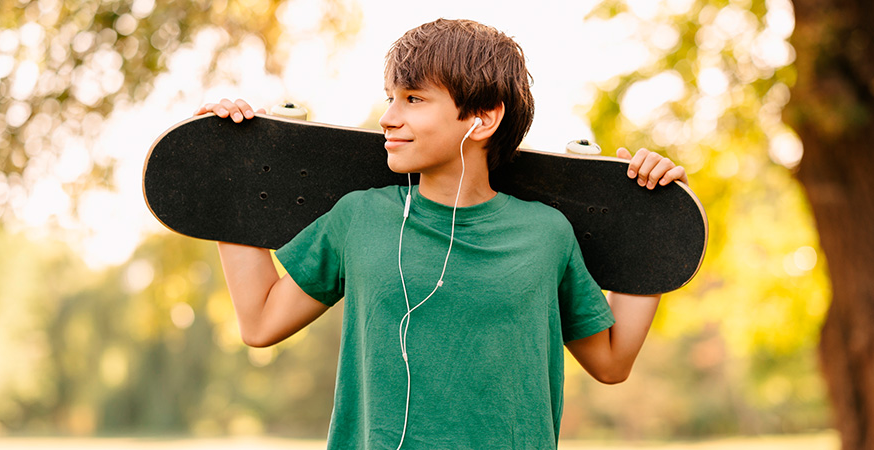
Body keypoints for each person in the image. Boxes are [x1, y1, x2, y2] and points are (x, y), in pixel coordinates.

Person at [195, 18, 688, 450]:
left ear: (484, 117)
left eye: (414, 99)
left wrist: (650, 222)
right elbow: (259, 323)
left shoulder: (546, 234)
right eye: (391, 98)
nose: (389, 117)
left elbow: (612, 361)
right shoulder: (359, 218)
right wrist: (232, 172)